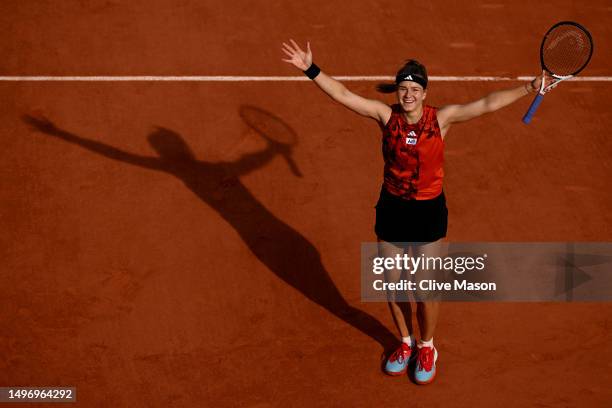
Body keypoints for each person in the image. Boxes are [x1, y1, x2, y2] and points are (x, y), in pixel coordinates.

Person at [281, 39, 542, 384]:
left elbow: (486, 104)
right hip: (391, 209)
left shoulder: (442, 119)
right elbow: (343, 96)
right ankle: (404, 343)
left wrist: (528, 87)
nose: (407, 94)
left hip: (428, 212)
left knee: (424, 288)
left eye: (414, 88)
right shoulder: (385, 116)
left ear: (423, 92)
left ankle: (427, 345)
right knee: (392, 284)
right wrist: (310, 69)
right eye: (403, 88)